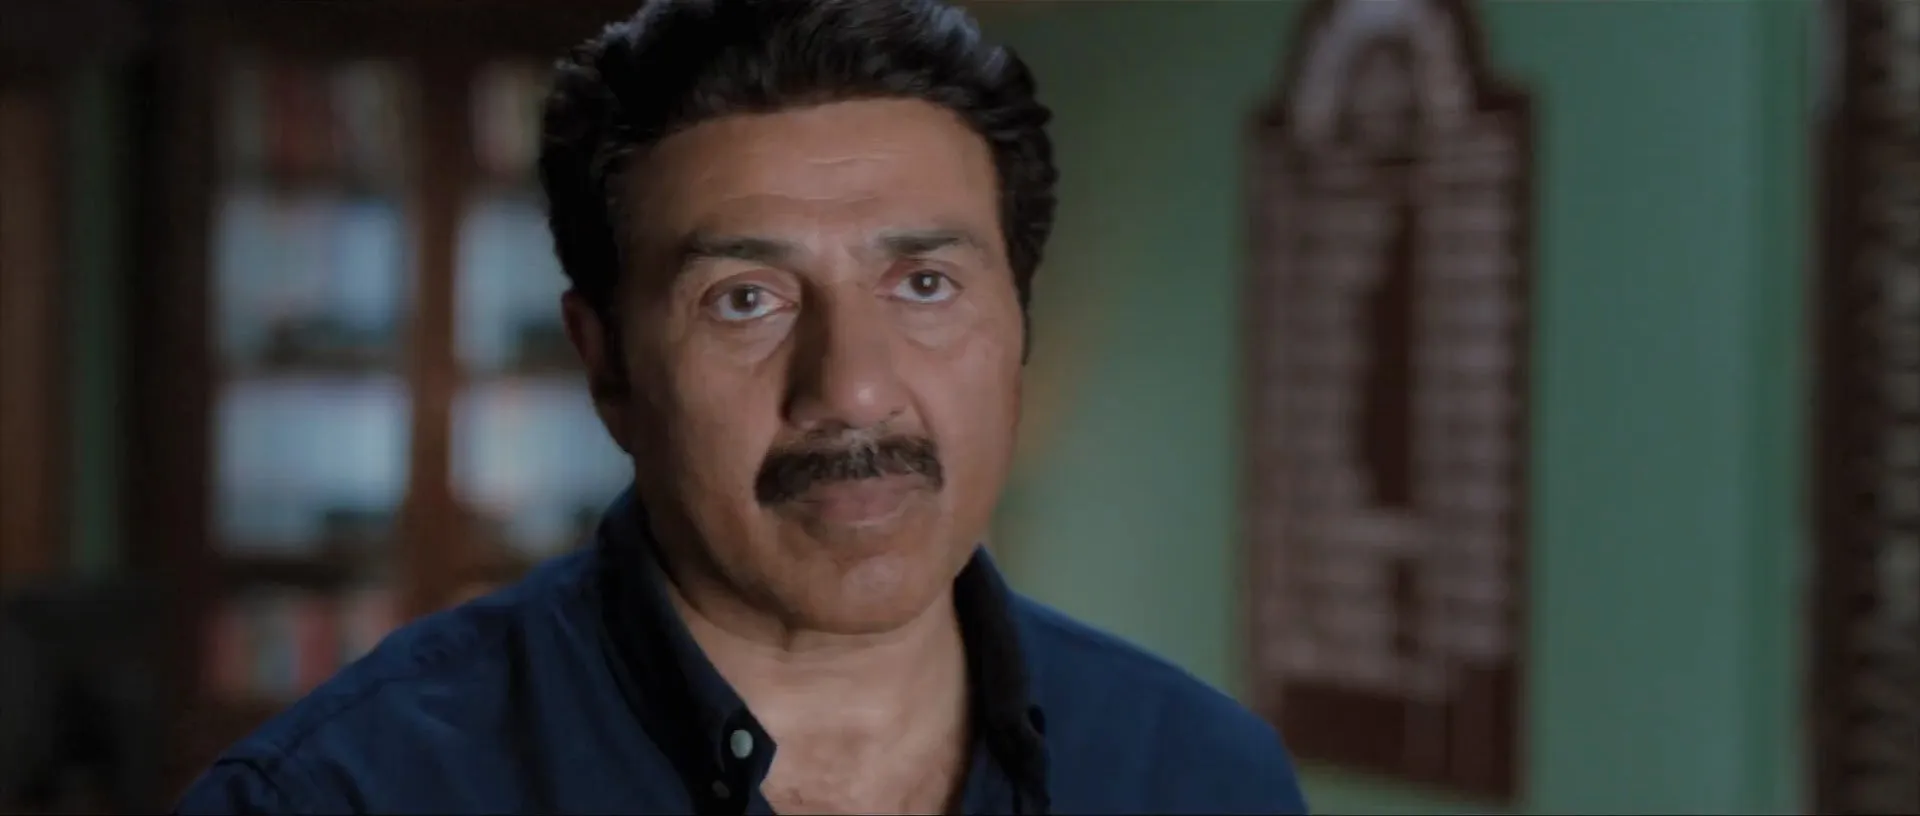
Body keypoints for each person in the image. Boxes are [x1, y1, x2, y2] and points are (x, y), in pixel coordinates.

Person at [175, 0, 1310, 813]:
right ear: (608, 366)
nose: (853, 388)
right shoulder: (343, 793)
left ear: (1021, 325)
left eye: (924, 284)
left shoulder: (1204, 777)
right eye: (746, 299)